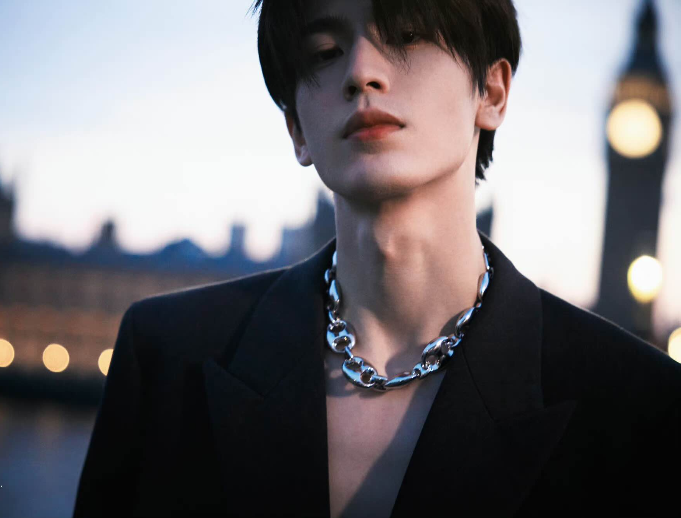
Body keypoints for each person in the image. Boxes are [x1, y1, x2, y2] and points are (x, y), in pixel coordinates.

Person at [73, 0, 681, 516]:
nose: (361, 71)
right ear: (296, 129)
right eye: (324, 52)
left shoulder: (641, 406)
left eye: (408, 34)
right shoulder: (165, 359)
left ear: (492, 92)